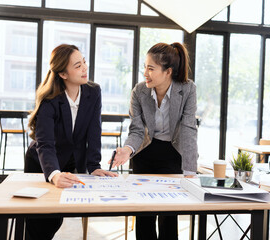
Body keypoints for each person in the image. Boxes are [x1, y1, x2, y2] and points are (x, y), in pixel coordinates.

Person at [24, 44, 117, 240]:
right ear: (63, 74)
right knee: (40, 222)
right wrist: (54, 174)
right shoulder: (50, 99)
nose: (84, 68)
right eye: (77, 65)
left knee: (56, 217)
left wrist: (93, 166)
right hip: (42, 163)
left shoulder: (93, 92)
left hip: (70, 161)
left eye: (84, 62)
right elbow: (45, 144)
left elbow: (94, 131)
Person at [110, 42, 198, 240]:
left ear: (168, 71)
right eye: (144, 67)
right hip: (145, 153)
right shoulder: (139, 92)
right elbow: (137, 129)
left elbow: (188, 129)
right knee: (144, 214)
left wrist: (190, 171)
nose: (145, 73)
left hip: (173, 154)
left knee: (168, 215)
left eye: (151, 68)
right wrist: (127, 149)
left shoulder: (187, 89)